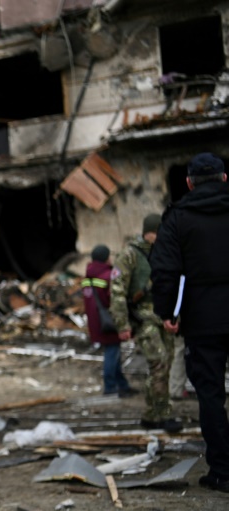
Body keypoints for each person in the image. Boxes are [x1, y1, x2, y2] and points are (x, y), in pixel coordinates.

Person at [150, 152, 229, 493]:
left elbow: (165, 271)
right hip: (205, 318)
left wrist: (168, 312)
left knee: (210, 396)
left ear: (189, 183)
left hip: (203, 321)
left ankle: (223, 472)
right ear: (225, 179)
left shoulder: (177, 218)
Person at [109, 213, 182, 433]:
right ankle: (163, 413)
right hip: (143, 320)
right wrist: (122, 325)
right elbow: (117, 291)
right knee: (159, 363)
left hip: (163, 318)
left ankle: (152, 414)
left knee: (165, 366)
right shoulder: (130, 255)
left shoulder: (164, 252)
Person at [82, 244, 136, 397]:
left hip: (96, 321)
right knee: (112, 353)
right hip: (109, 321)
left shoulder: (88, 276)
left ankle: (122, 385)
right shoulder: (108, 276)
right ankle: (110, 387)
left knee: (113, 352)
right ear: (106, 258)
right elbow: (115, 301)